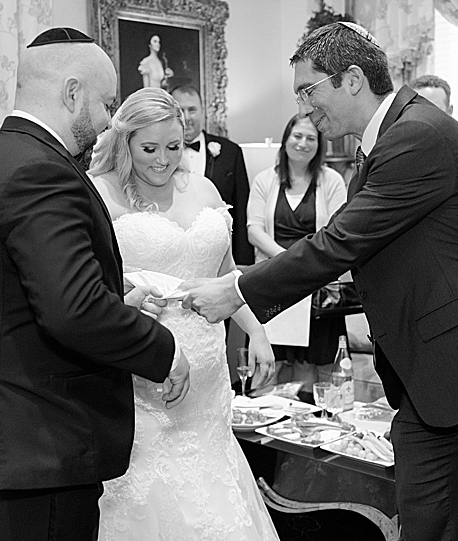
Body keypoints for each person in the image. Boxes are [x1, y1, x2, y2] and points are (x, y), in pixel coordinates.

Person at [181, 22, 458, 540]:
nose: (304, 108)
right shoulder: (381, 147)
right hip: (430, 387)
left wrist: (236, 291)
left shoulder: (418, 135)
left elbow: (340, 242)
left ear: (352, 79)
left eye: (308, 91)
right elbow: (378, 258)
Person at [0, 28, 190, 541]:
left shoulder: (3, 156)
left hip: (15, 433)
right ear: (73, 93)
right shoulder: (40, 171)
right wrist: (164, 349)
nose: (107, 122)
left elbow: (26, 292)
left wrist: (113, 302)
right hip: (38, 439)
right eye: (106, 104)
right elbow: (72, 310)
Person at [88, 86, 278, 540]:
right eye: (149, 148)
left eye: (173, 147)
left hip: (209, 385)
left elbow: (225, 276)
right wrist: (126, 294)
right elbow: (84, 290)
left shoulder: (204, 187)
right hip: (144, 376)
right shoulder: (99, 194)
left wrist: (257, 332)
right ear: (125, 141)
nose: (163, 160)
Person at [247, 114, 346, 399]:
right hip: (274, 283)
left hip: (317, 285)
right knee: (271, 366)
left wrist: (303, 264)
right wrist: (287, 262)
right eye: (297, 136)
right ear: (286, 140)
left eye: (311, 138)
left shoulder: (332, 181)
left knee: (316, 370)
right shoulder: (265, 179)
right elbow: (254, 230)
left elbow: (338, 232)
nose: (303, 143)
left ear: (319, 145)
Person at [171, 84, 254, 265]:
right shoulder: (161, 154)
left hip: (220, 254)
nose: (187, 117)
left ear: (203, 112)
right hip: (173, 251)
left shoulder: (231, 152)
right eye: (180, 111)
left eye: (192, 110)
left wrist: (243, 264)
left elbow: (241, 210)